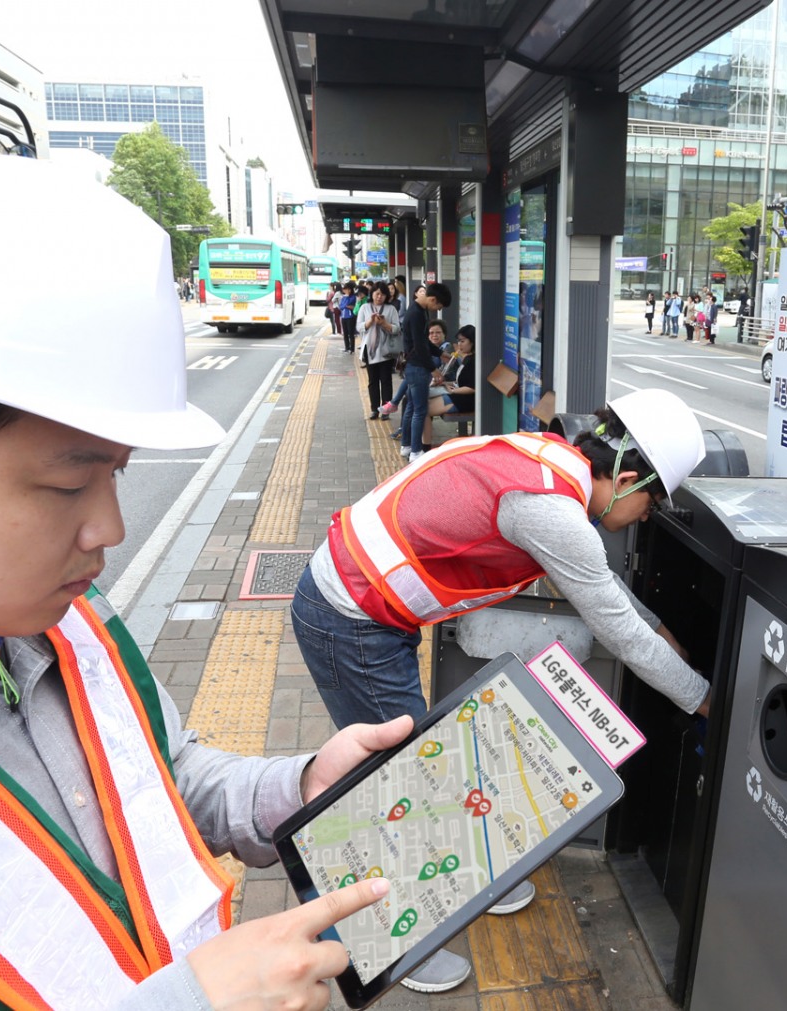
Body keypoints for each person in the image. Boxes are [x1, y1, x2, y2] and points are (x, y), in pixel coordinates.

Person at [0, 157, 413, 1011]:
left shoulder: (63, 620)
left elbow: (164, 780)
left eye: (118, 477)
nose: (110, 530)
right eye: (67, 484)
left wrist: (301, 785)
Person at [289, 387, 709, 993]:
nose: (647, 516)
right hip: (351, 618)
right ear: (629, 476)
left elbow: (606, 592)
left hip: (368, 603)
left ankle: (467, 880)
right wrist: (703, 698)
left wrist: (662, 629)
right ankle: (391, 943)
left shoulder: (546, 459)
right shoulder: (553, 514)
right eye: (652, 503)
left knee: (427, 760)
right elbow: (616, 627)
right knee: (399, 784)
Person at [399, 282, 451, 462]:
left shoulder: (419, 310)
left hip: (414, 366)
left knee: (412, 407)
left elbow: (423, 342)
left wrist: (440, 352)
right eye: (438, 306)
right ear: (432, 299)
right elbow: (420, 346)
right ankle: (415, 452)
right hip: (418, 367)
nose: (437, 309)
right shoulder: (416, 314)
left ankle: (406, 446)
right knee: (420, 410)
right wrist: (434, 369)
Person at [416, 325, 476, 451]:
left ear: (472, 341)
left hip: (465, 400)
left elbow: (473, 387)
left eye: (463, 341)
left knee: (424, 409)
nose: (459, 345)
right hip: (458, 394)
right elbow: (462, 380)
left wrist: (453, 390)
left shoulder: (474, 361)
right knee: (421, 404)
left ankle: (425, 447)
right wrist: (448, 384)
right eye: (458, 341)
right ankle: (423, 445)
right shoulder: (466, 358)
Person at [358, 283, 401, 419]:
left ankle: (386, 410)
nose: (379, 297)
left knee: (386, 380)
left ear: (386, 296)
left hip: (386, 350)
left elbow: (397, 329)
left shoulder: (391, 309)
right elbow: (359, 327)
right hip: (369, 350)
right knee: (373, 381)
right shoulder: (365, 308)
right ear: (372, 294)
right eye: (377, 293)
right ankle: (374, 409)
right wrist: (370, 322)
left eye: (382, 294)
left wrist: (384, 324)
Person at [339, 281, 358, 353]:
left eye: (346, 289)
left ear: (350, 289)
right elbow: (341, 306)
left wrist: (346, 305)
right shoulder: (343, 297)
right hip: (343, 317)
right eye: (345, 289)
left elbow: (347, 303)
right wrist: (347, 306)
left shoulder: (353, 297)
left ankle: (352, 348)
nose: (345, 290)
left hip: (350, 317)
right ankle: (347, 347)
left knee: (351, 333)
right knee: (345, 333)